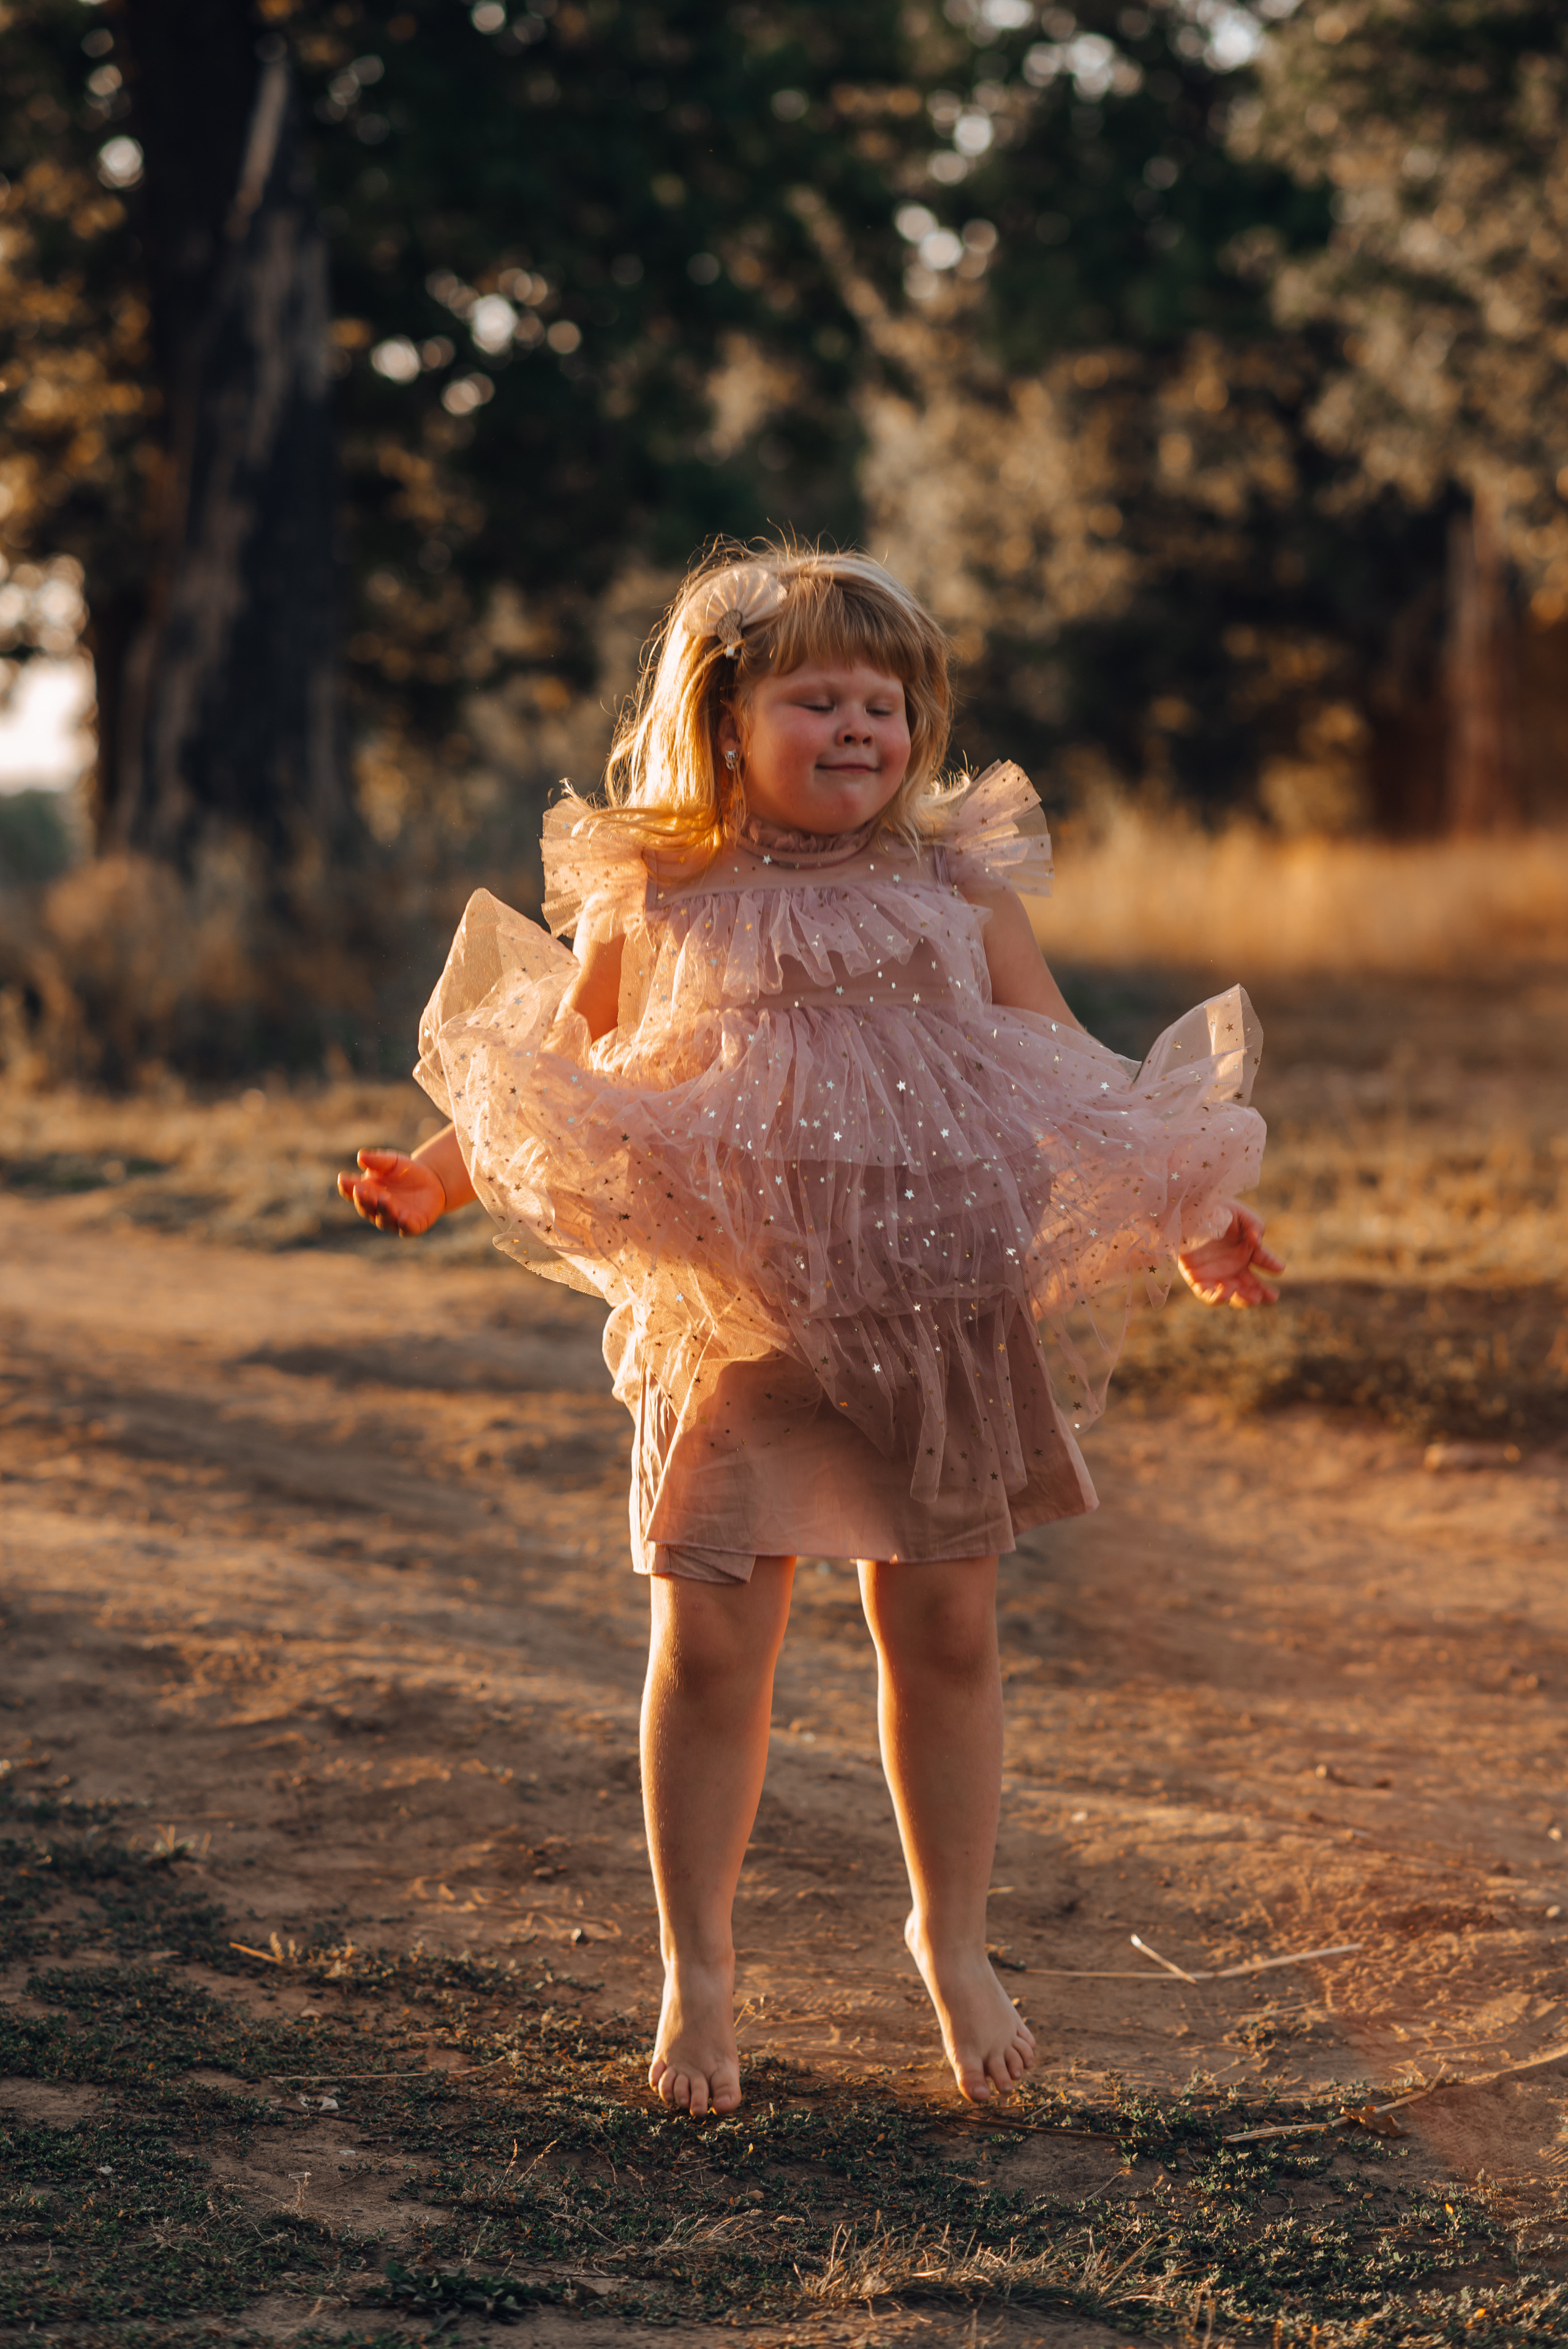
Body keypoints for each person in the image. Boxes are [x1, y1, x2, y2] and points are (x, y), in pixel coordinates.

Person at [338, 543, 1281, 2116]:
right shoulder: (662, 887)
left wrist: (1190, 1210)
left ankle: (951, 1940)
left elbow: (1069, 1065)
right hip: (741, 1319)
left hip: (938, 1307)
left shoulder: (955, 881)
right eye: (816, 699)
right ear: (723, 721)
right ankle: (698, 1966)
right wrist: (437, 1178)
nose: (858, 728)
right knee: (714, 1641)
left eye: (884, 703)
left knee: (947, 1630)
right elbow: (554, 1069)